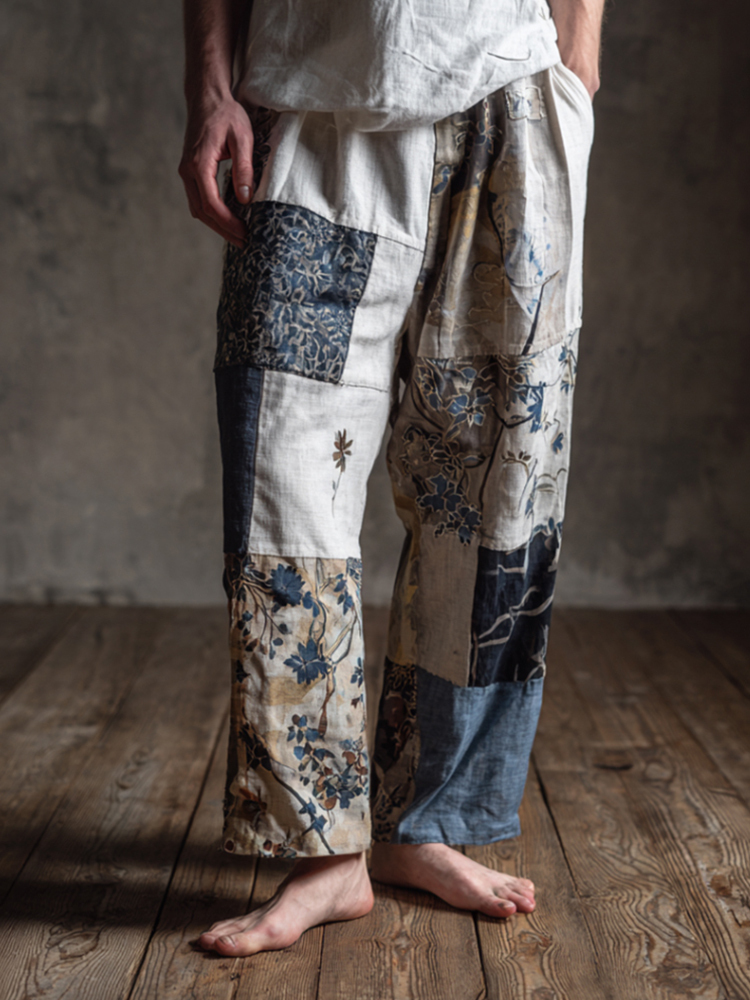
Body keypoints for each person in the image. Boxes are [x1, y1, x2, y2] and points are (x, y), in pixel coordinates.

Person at [179, 0, 604, 958]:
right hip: (308, 99)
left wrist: (575, 68)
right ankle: (325, 852)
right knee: (285, 491)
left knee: (494, 502)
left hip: (510, 91)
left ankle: (425, 821)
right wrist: (210, 88)